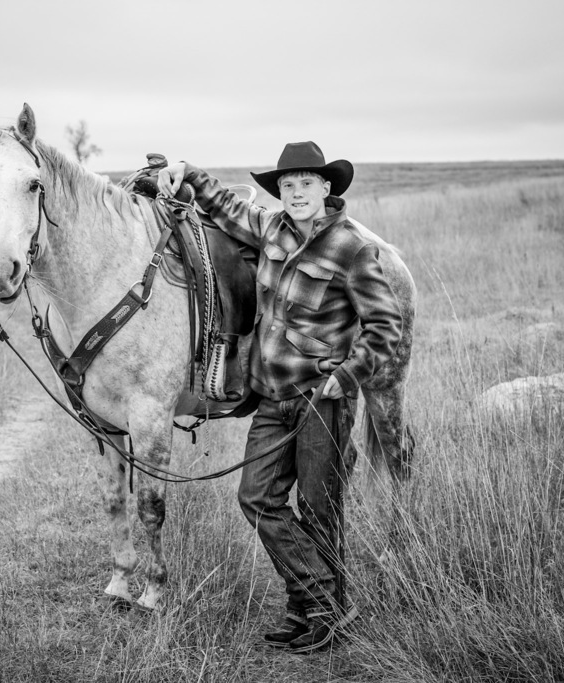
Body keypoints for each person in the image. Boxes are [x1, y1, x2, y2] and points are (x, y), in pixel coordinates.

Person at [157, 142, 403, 654]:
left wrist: (349, 376)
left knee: (318, 508)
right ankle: (322, 602)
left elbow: (385, 325)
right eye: (288, 185)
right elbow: (224, 204)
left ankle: (314, 611)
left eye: (306, 183)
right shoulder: (271, 229)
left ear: (326, 187)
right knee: (257, 499)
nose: (296, 193)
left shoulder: (352, 248)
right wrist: (187, 171)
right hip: (272, 397)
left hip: (321, 399)